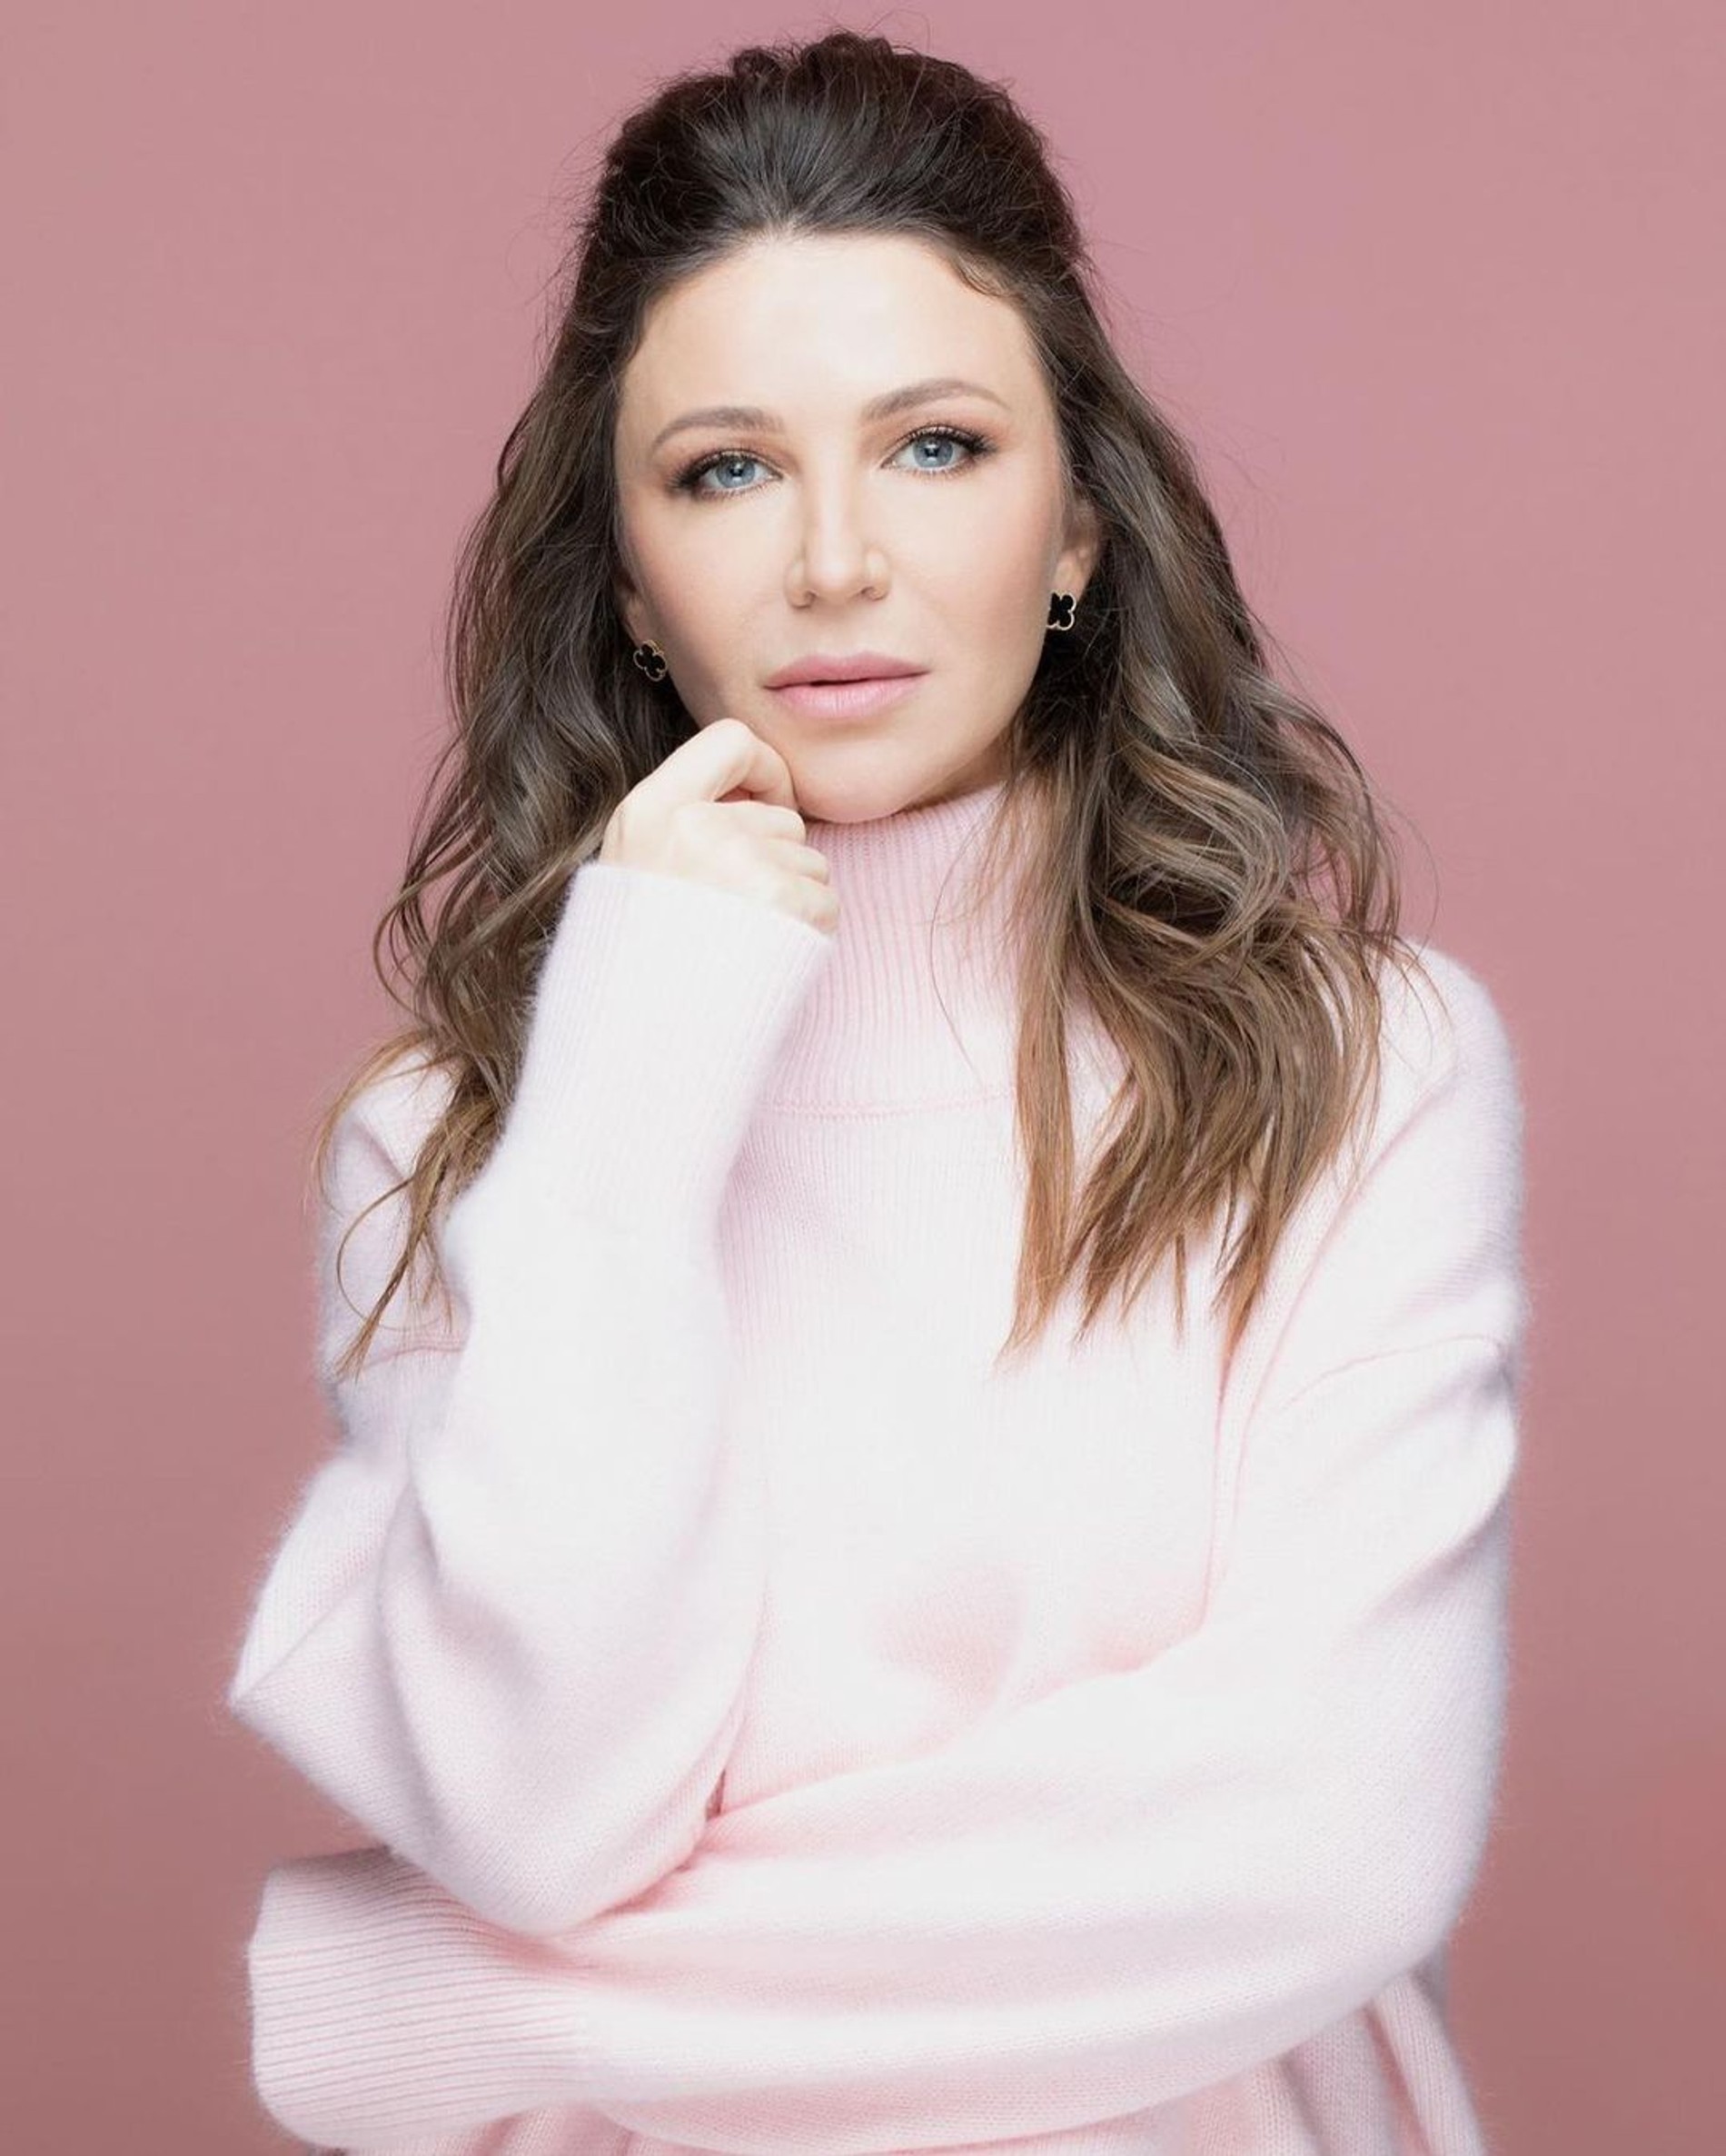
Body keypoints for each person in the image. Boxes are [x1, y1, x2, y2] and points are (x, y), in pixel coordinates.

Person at [225, 27, 1530, 2156]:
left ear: (1076, 526)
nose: (833, 558)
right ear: (629, 579)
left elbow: (1324, 1837)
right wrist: (628, 1083)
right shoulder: (473, 1135)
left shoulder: (1362, 1068)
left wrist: (436, 2001)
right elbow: (544, 1808)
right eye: (724, 470)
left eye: (932, 444)